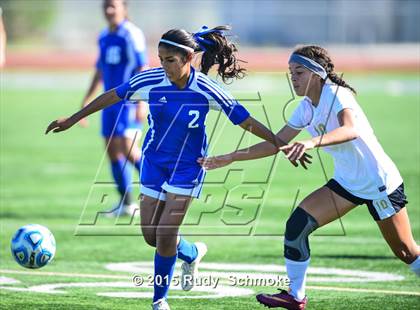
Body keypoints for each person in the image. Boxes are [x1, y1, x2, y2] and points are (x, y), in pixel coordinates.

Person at [46, 25, 302, 310]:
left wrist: (280, 143)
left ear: (188, 58)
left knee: (166, 234)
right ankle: (191, 253)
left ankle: (159, 301)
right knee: (151, 236)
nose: (164, 66)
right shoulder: (151, 80)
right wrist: (72, 118)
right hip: (154, 164)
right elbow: (113, 96)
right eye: (160, 58)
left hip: (188, 168)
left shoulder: (204, 87)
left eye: (170, 60)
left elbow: (244, 119)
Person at [198, 45, 420, 309]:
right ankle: (296, 296)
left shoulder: (337, 94)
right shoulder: (305, 108)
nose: (293, 78)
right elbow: (276, 143)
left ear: (317, 74)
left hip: (378, 182)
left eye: (299, 72)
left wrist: (311, 142)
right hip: (347, 183)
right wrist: (231, 157)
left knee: (406, 251)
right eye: (291, 72)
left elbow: (351, 130)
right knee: (296, 227)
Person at [80, 0, 148, 216]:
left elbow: (143, 67)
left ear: (124, 9)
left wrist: (142, 101)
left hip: (128, 103)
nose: (109, 10)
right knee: (112, 151)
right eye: (106, 6)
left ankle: (163, 189)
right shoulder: (103, 36)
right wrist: (87, 100)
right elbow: (100, 70)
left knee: (129, 150)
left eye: (113, 6)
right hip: (108, 104)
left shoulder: (131, 34)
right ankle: (127, 204)